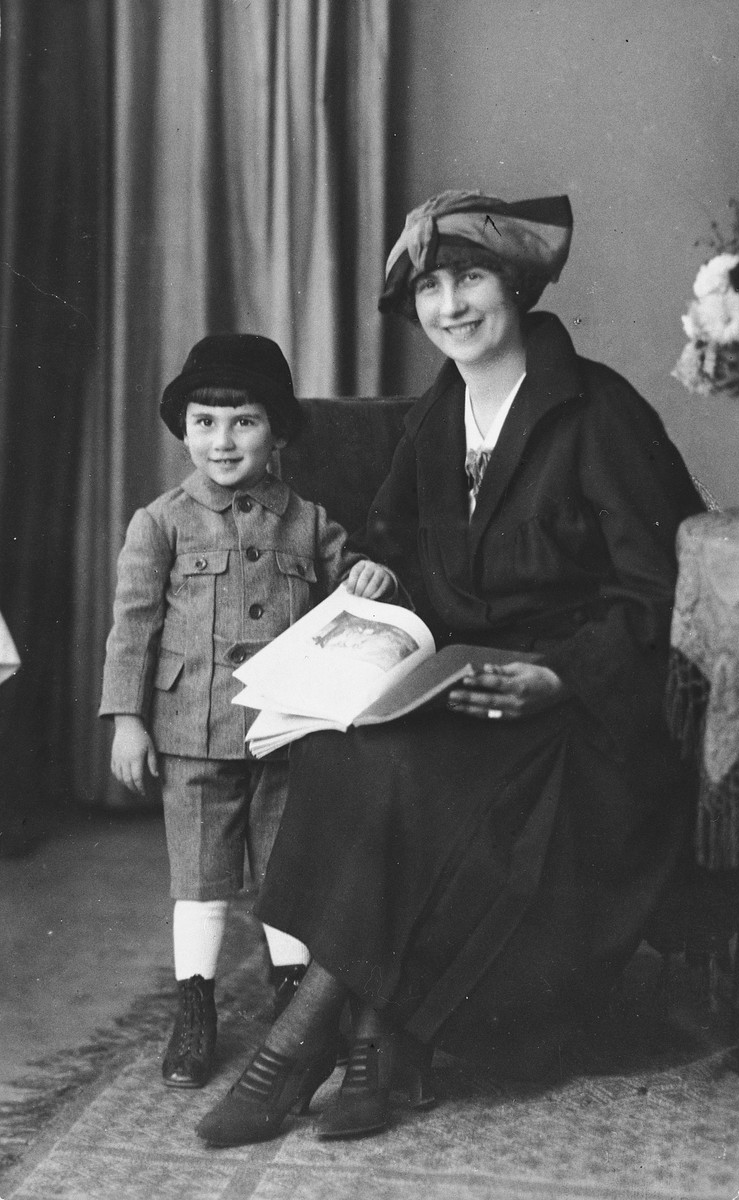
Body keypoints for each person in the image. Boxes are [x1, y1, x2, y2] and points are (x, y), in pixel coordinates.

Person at [196, 192, 705, 1148]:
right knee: (348, 754)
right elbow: (390, 540)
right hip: (462, 678)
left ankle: (301, 1046)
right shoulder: (443, 411)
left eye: (470, 277)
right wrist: (373, 590)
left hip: (582, 711)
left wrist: (560, 676)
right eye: (430, 287)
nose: (451, 306)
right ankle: (377, 1045)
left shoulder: (597, 412)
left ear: (515, 283)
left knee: (416, 776)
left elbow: (660, 592)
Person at [99, 334, 395, 1090]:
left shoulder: (309, 521)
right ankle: (194, 1005)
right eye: (204, 422)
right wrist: (126, 719)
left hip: (283, 728)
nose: (222, 441)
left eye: (244, 422)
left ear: (278, 432)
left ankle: (295, 1002)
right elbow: (132, 626)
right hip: (191, 731)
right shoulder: (159, 523)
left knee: (287, 867)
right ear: (184, 430)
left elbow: (349, 591)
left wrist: (372, 574)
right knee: (199, 874)